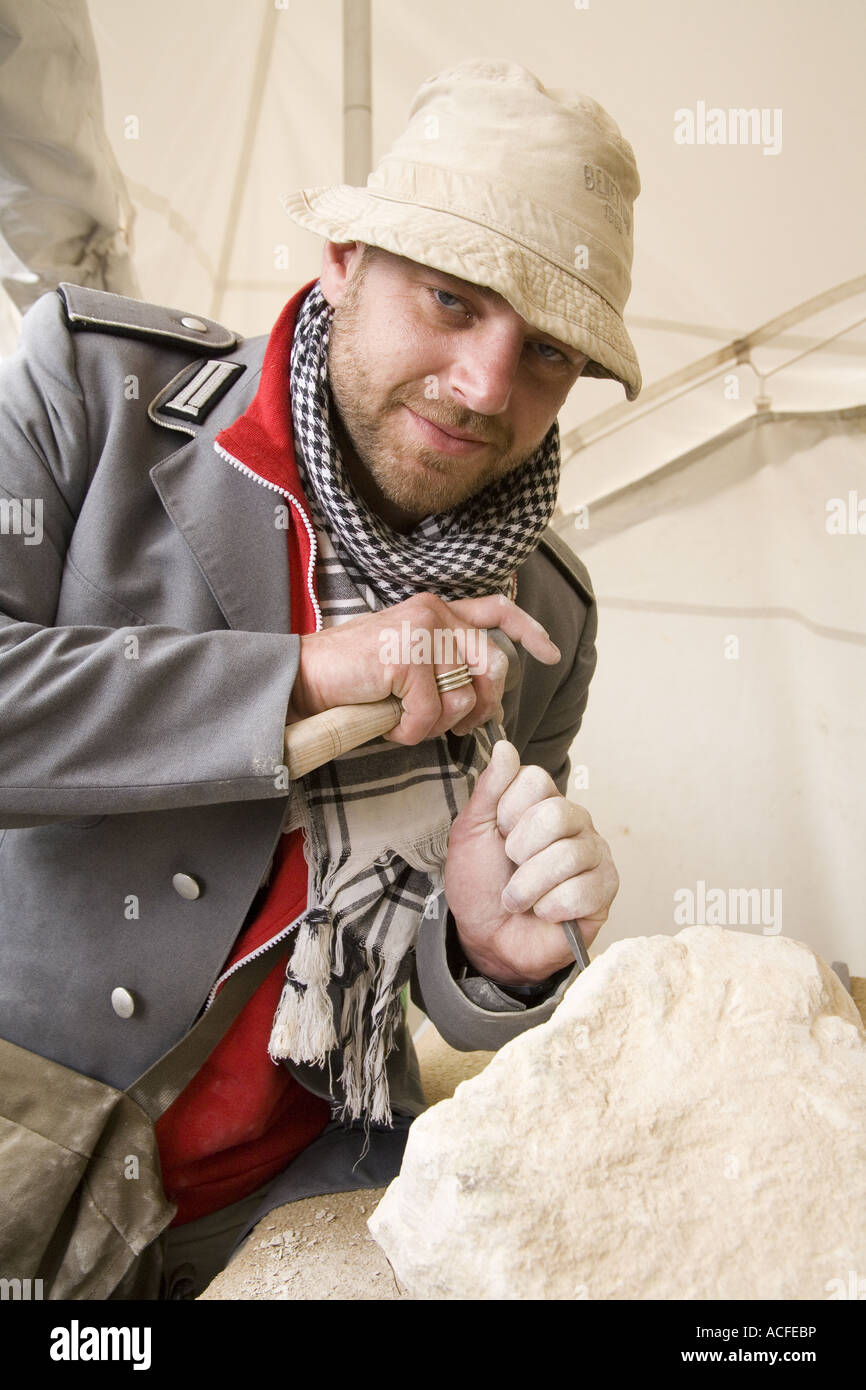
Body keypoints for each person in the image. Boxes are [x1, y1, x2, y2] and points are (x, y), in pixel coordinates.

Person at [0, 59, 641, 1298]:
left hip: (295, 1197)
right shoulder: (91, 391)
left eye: (549, 353)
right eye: (451, 302)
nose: (486, 388)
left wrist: (494, 958)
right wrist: (296, 675)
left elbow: (444, 1006)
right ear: (344, 255)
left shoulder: (544, 610)